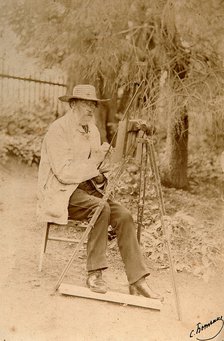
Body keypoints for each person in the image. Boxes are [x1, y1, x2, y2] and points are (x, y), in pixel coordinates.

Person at [37, 84, 162, 300]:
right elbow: (63, 173)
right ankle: (94, 274)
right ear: (73, 104)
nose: (90, 109)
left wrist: (101, 173)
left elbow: (94, 171)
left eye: (93, 105)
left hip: (86, 189)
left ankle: (138, 279)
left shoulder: (92, 130)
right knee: (100, 208)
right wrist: (94, 163)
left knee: (123, 215)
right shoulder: (58, 130)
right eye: (86, 104)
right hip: (60, 191)